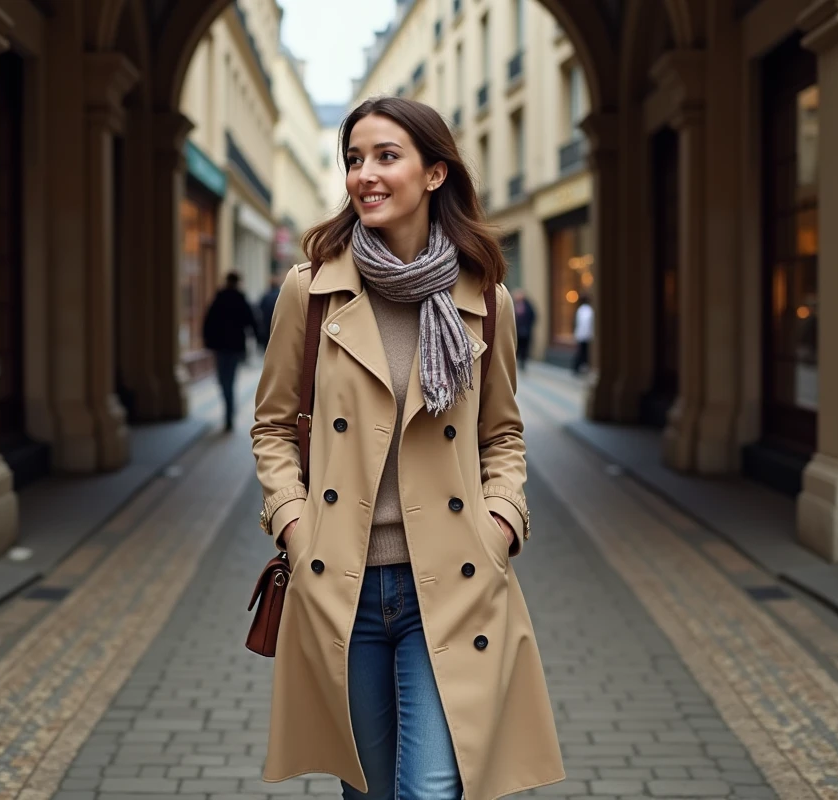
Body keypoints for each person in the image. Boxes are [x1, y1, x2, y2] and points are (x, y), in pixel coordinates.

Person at [251, 96, 564, 800]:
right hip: (343, 580)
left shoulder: (485, 297)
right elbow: (272, 427)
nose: (364, 174)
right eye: (354, 159)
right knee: (368, 790)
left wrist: (501, 522)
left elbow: (502, 434)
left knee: (430, 788)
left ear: (433, 174)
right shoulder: (311, 293)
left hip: (451, 581)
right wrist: (295, 525)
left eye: (386, 156)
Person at [202, 272, 257, 431]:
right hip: (235, 346)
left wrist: (208, 342)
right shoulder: (240, 299)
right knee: (230, 379)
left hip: (220, 346)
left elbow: (208, 322)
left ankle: (229, 411)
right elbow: (251, 321)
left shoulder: (219, 299)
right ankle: (230, 412)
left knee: (223, 380)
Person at [256, 273, 282, 351]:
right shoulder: (280, 295)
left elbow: (259, 311)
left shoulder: (265, 297)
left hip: (267, 327)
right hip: (278, 326)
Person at [512, 288, 536, 372]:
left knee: (525, 348)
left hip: (526, 331)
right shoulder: (513, 304)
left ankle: (523, 363)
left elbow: (533, 316)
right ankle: (517, 362)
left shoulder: (528, 305)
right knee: (517, 347)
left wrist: (528, 326)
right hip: (516, 331)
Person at [573, 296, 594, 374]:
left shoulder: (581, 309)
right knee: (583, 352)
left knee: (582, 352)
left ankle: (579, 367)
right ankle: (579, 367)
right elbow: (586, 324)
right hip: (585, 335)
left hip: (581, 335)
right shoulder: (587, 310)